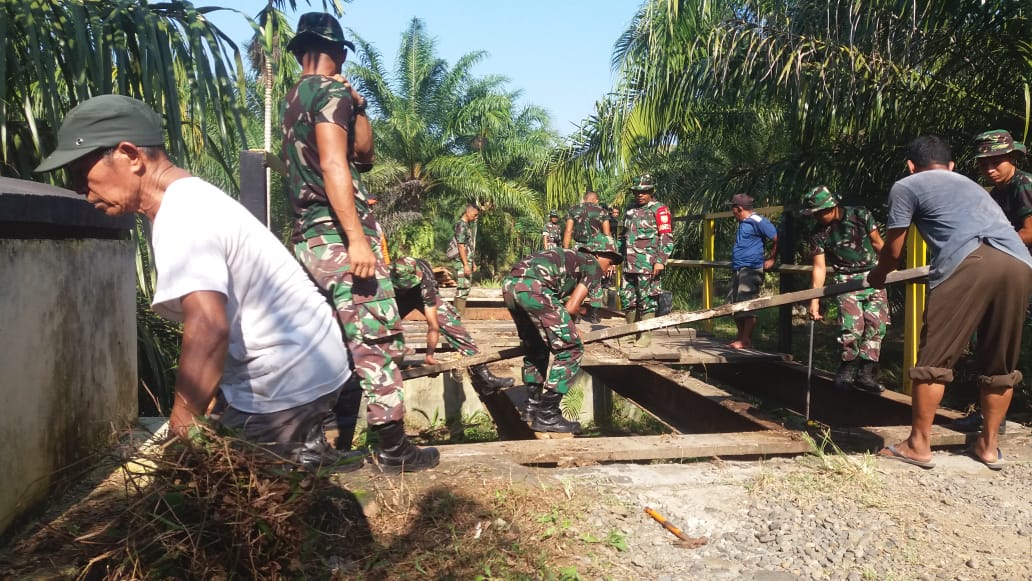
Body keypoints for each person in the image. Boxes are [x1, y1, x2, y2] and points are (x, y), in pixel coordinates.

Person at [35, 94, 358, 472]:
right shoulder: (189, 199)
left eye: (80, 171)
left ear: (129, 155)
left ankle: (295, 463)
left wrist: (180, 428)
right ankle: (302, 456)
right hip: (314, 362)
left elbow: (208, 327)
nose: (78, 189)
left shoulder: (181, 214)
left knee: (203, 488)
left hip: (286, 378)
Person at [281, 12, 438, 473]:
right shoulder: (329, 93)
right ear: (340, 51)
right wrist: (357, 240)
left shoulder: (295, 97)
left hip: (308, 239)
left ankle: (309, 444)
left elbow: (363, 157)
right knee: (379, 337)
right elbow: (336, 166)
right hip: (338, 236)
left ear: (300, 51)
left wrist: (361, 106)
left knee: (325, 340)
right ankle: (392, 449)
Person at [868, 135, 1032, 470]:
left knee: (935, 357)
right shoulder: (971, 185)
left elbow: (894, 250)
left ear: (911, 165)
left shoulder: (907, 184)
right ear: (953, 166)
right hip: (1019, 263)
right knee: (999, 363)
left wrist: (878, 275)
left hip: (969, 261)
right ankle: (988, 446)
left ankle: (918, 444)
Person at [946, 129, 1032, 434]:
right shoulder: (996, 194)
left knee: (1003, 345)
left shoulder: (1022, 185)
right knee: (990, 342)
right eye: (984, 164)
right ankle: (988, 416)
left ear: (1012, 158)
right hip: (1006, 273)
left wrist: (990, 252)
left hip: (1018, 274)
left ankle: (996, 417)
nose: (990, 168)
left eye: (996, 161)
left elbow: (1029, 231)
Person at [503, 234, 622, 434]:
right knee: (572, 348)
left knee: (536, 346)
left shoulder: (571, 257)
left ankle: (531, 407)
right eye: (610, 262)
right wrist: (571, 332)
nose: (610, 268)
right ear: (598, 254)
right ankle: (548, 414)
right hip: (535, 289)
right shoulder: (592, 265)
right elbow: (571, 307)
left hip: (510, 285)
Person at [800, 186, 888, 392]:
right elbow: (819, 267)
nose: (819, 217)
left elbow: (878, 243)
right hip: (846, 279)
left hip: (873, 275)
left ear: (833, 206)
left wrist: (888, 268)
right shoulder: (818, 234)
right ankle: (846, 369)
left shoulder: (860, 215)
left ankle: (866, 373)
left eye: (822, 212)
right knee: (852, 326)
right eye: (816, 214)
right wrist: (814, 302)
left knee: (876, 325)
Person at [390, 256, 513, 389]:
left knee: (452, 323)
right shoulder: (381, 277)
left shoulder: (425, 281)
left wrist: (429, 355)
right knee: (378, 326)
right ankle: (382, 369)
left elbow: (433, 325)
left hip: (421, 293)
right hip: (393, 296)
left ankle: (483, 377)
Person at [619, 175, 674, 347]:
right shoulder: (629, 210)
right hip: (628, 263)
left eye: (644, 192)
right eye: (637, 192)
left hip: (648, 263)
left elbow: (666, 236)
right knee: (627, 297)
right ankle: (631, 332)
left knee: (647, 298)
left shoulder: (659, 209)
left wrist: (661, 260)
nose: (640, 195)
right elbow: (623, 236)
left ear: (651, 192)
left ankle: (645, 335)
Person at [727, 194, 778, 349]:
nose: (732, 211)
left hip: (750, 268)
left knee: (747, 304)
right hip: (739, 268)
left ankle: (745, 339)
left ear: (739, 208)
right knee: (733, 303)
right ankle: (741, 337)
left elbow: (775, 237)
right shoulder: (743, 222)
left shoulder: (758, 221)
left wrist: (772, 258)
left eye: (733, 208)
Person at [563, 191, 611, 323]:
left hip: (578, 248)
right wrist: (609, 256)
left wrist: (565, 251)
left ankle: (576, 313)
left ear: (584, 199)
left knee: (577, 278)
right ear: (596, 200)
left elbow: (568, 230)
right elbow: (607, 234)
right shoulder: (602, 212)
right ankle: (594, 314)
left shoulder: (574, 210)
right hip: (596, 249)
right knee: (595, 278)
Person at [448, 203, 480, 315]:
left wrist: (473, 263)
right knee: (462, 288)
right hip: (462, 262)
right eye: (475, 215)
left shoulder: (466, 225)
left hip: (467, 261)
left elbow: (468, 246)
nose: (476, 218)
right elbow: (460, 246)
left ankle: (457, 315)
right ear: (468, 212)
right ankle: (457, 316)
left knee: (465, 288)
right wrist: (466, 265)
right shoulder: (461, 226)